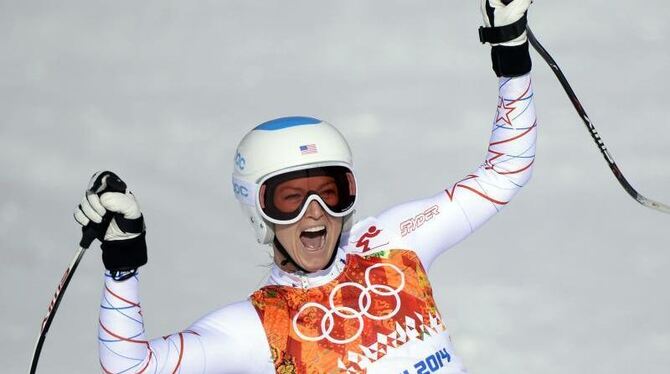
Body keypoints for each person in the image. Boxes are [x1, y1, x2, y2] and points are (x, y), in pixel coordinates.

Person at [74, 1, 537, 372]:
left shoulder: (395, 245)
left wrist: (511, 56)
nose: (314, 212)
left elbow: (504, 171)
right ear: (259, 213)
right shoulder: (254, 328)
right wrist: (122, 264)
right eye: (290, 199)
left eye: (331, 192)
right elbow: (131, 366)